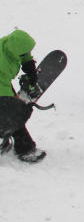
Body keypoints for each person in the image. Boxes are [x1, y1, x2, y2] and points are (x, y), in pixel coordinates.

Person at [0, 29, 46, 162]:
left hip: (3, 84)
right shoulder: (2, 65)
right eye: (24, 53)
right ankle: (25, 150)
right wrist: (18, 106)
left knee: (10, 117)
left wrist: (29, 64)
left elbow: (23, 53)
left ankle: (21, 145)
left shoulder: (7, 44)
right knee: (11, 116)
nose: (27, 54)